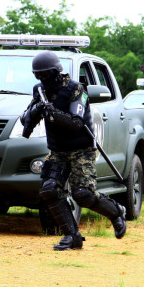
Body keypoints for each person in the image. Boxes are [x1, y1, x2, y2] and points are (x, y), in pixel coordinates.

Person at [20, 51, 126, 251]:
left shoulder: (77, 89)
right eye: (38, 76)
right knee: (49, 189)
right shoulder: (40, 91)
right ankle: (72, 236)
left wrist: (53, 113)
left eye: (45, 74)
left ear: (56, 72)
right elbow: (24, 120)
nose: (42, 79)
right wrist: (36, 111)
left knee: (83, 194)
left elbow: (76, 123)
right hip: (57, 150)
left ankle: (115, 212)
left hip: (81, 149)